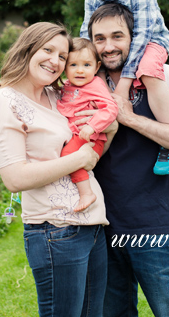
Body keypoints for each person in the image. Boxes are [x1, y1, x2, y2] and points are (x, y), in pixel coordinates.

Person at [0, 22, 116, 317]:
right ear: (27, 49)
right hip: (55, 229)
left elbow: (91, 151)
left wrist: (112, 128)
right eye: (48, 50)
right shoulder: (5, 101)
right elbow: (14, 178)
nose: (55, 62)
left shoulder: (59, 96)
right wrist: (79, 159)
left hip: (93, 223)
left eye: (62, 56)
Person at [88, 3, 169, 317]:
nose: (109, 46)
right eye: (99, 38)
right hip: (101, 226)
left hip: (154, 223)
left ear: (135, 38)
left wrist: (131, 119)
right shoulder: (88, 84)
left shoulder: (161, 76)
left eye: (118, 36)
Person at [79, 0, 169, 175]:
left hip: (151, 40)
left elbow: (143, 35)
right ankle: (89, 132)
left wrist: (125, 83)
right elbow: (87, 28)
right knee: (91, 73)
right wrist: (84, 59)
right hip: (115, 44)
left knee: (148, 71)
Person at [57, 37, 119, 213]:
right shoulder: (67, 86)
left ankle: (86, 193)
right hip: (78, 135)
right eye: (73, 65)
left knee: (68, 155)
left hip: (92, 137)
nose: (80, 71)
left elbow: (110, 108)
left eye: (86, 65)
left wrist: (92, 125)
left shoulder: (95, 85)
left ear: (97, 67)